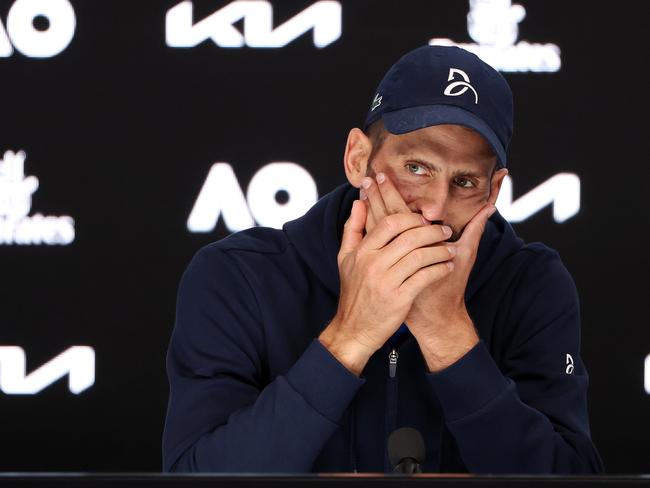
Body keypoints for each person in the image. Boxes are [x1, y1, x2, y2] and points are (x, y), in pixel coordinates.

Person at [162, 45, 603, 473]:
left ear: (494, 190)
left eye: (465, 181)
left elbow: (572, 475)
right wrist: (351, 336)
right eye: (416, 168)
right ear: (358, 159)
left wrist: (448, 335)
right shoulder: (238, 276)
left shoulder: (531, 282)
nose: (434, 208)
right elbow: (196, 474)